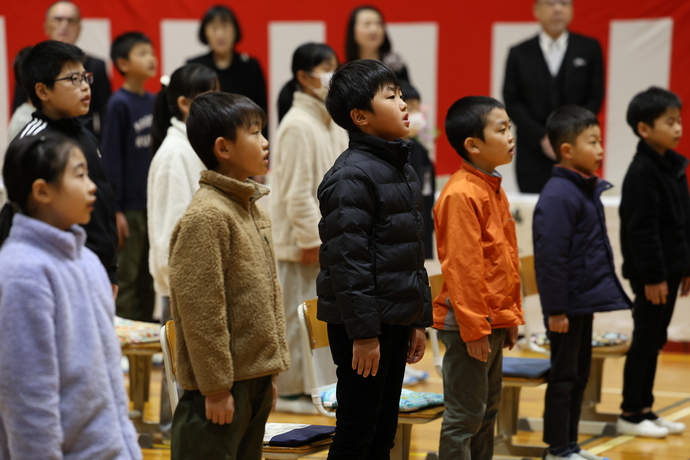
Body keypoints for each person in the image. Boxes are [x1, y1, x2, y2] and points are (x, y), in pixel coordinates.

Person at [317, 59, 432, 459]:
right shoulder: (351, 176)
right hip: (362, 327)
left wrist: (417, 319)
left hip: (394, 318)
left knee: (384, 432)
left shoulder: (400, 168)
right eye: (391, 96)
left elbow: (411, 255)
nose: (403, 104)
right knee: (357, 431)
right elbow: (348, 265)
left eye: (401, 95)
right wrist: (364, 334)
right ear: (360, 117)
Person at [0, 133, 141, 460]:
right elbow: (28, 400)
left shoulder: (87, 260)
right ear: (42, 191)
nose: (92, 186)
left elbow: (110, 383)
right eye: (79, 175)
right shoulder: (22, 271)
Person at [168, 92, 289, 459]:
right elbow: (202, 312)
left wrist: (269, 370)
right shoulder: (207, 216)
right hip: (221, 388)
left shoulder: (251, 209)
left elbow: (267, 296)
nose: (266, 142)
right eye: (254, 133)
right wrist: (217, 388)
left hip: (252, 379)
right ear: (223, 148)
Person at [533, 105, 631, 460]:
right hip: (566, 307)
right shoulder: (559, 194)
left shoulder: (581, 189)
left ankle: (571, 446)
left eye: (601, 141)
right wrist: (556, 310)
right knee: (563, 378)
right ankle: (557, 449)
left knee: (577, 376)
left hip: (580, 303)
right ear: (567, 151)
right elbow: (551, 258)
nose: (601, 149)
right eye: (593, 141)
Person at [433, 96, 523, 460]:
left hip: (490, 321)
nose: (511, 135)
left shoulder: (491, 185)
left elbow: (503, 262)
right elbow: (463, 269)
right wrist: (474, 328)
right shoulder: (461, 193)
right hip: (468, 325)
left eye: (509, 127)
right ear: (473, 145)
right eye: (501, 130)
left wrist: (510, 317)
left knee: (486, 412)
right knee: (465, 416)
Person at [271, 42, 348, 414]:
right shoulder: (296, 124)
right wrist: (309, 237)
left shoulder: (327, 119)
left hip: (324, 238)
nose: (332, 75)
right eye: (325, 68)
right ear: (303, 77)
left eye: (335, 66)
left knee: (317, 315)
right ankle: (290, 391)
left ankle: (313, 387)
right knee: (294, 315)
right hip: (300, 242)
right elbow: (295, 192)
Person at [147, 63, 219, 440]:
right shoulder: (174, 154)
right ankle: (174, 434)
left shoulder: (194, 146)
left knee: (190, 374)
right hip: (181, 284)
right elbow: (169, 232)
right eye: (209, 95)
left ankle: (177, 431)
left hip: (197, 282)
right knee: (182, 375)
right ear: (184, 103)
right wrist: (176, 282)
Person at [17, 40, 118, 292]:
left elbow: (102, 203)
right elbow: (27, 224)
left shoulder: (86, 135)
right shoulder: (33, 144)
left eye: (86, 78)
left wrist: (110, 271)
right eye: (73, 79)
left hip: (97, 271)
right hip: (60, 278)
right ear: (43, 91)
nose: (85, 87)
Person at [618, 86, 688, 438]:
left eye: (679, 121)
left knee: (656, 337)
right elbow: (641, 231)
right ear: (644, 129)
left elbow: (682, 221)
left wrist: (686, 266)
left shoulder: (672, 166)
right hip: (652, 275)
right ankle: (631, 412)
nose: (678, 128)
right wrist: (654, 276)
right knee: (646, 339)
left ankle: (645, 407)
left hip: (670, 269)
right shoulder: (642, 170)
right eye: (670, 122)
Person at [503, 0, 604, 193]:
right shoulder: (519, 53)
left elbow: (594, 97)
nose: (558, 9)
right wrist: (543, 138)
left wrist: (568, 137)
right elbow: (512, 101)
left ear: (572, 10)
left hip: (576, 149)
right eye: (550, 3)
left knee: (577, 211)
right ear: (536, 10)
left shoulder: (589, 48)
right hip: (532, 151)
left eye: (564, 3)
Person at [101, 31, 157, 322]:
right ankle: (123, 345)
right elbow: (112, 161)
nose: (152, 58)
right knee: (129, 276)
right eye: (143, 53)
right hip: (130, 207)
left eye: (152, 52)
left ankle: (146, 344)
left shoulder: (155, 101)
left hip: (152, 204)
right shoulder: (119, 104)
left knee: (150, 275)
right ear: (122, 63)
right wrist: (117, 209)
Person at [12, 1, 112, 139]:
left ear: (79, 28)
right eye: (58, 19)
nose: (64, 24)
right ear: (46, 26)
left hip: (83, 140)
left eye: (70, 20)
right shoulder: (30, 63)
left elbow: (106, 117)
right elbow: (21, 108)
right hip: (44, 141)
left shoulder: (96, 66)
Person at [187, 5, 267, 115]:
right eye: (214, 28)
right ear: (205, 32)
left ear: (235, 30)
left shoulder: (251, 67)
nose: (220, 35)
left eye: (225, 27)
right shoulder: (194, 67)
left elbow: (261, 110)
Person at [401, 81, 435, 261]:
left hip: (423, 226)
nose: (416, 114)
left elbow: (427, 189)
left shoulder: (420, 149)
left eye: (417, 108)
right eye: (410, 107)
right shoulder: (392, 151)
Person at [345, 5, 409, 83]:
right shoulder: (345, 72)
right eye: (367, 24)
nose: (374, 29)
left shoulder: (396, 67)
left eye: (379, 23)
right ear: (353, 30)